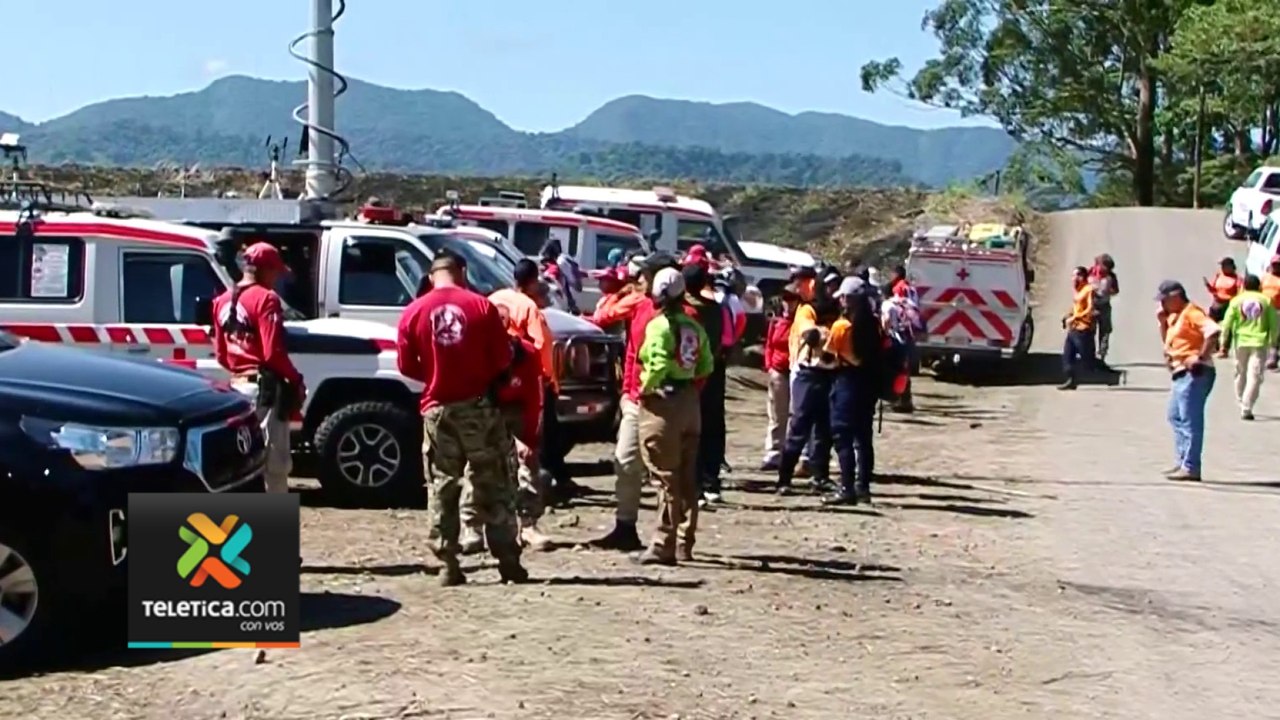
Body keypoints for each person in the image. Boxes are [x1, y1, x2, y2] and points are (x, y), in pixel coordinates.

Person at [396, 254, 526, 586]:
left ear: (431, 275)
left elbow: (407, 366)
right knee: (494, 481)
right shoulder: (481, 307)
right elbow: (501, 360)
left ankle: (447, 563)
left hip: (438, 409)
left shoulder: (413, 312)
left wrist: (436, 373)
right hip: (479, 406)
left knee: (442, 485)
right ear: (462, 272)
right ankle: (507, 560)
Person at [591, 253, 680, 552]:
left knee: (664, 471)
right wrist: (628, 392)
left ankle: (668, 537)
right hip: (635, 398)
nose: (637, 282)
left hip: (662, 400)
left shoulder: (680, 316)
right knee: (626, 461)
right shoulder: (641, 306)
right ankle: (626, 526)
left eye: (643, 277)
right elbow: (630, 350)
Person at [636, 267, 714, 565]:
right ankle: (685, 540)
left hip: (664, 403)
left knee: (665, 476)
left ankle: (662, 543)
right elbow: (706, 365)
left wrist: (645, 389)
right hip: (689, 402)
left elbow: (655, 364)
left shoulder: (659, 327)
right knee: (686, 476)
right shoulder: (694, 326)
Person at [211, 242, 303, 495]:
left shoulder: (221, 301)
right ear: (265, 269)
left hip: (237, 387)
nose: (277, 279)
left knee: (243, 461)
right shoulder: (266, 299)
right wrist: (295, 380)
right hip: (264, 389)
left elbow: (221, 354)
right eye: (275, 272)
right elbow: (272, 352)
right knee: (275, 464)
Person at [776, 278, 840, 495]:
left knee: (825, 430)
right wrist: (831, 335)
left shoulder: (840, 311)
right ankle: (784, 478)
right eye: (830, 286)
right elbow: (810, 334)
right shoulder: (808, 310)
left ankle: (820, 476)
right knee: (799, 426)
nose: (834, 291)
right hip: (809, 373)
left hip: (831, 374)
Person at [824, 276, 884, 505]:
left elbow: (827, 357)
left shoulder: (842, 326)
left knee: (842, 435)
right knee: (863, 438)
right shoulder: (874, 324)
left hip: (847, 382)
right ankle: (863, 487)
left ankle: (846, 487)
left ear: (849, 299)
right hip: (868, 385)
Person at [1156, 280, 1221, 482]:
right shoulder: (1176, 316)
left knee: (1190, 420)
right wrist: (1162, 322)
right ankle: (1183, 461)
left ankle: (1191, 466)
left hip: (1194, 374)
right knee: (1175, 416)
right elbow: (1170, 342)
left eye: (1164, 300)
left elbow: (1212, 331)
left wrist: (1200, 358)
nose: (1162, 305)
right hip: (1180, 373)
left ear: (1175, 297)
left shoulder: (1193, 312)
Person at [682, 263, 728, 504]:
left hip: (691, 375)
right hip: (713, 371)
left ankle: (695, 483)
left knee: (693, 429)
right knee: (713, 425)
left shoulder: (686, 311)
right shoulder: (716, 309)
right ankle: (711, 480)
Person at [1220, 274, 1277, 420]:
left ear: (1244, 286)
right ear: (1259, 286)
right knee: (1255, 376)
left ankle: (1241, 400)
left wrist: (1223, 342)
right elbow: (1274, 324)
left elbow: (1226, 323)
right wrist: (1274, 342)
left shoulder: (1236, 300)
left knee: (1240, 372)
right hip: (1259, 343)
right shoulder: (1266, 301)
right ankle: (1247, 406)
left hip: (1240, 342)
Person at [760, 286, 798, 471]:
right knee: (777, 414)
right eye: (786, 299)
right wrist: (769, 366)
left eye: (792, 299)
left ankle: (798, 454)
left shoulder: (802, 321)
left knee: (798, 414)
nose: (788, 303)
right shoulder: (777, 322)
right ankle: (774, 452)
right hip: (778, 371)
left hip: (797, 370)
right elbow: (769, 345)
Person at [880, 282, 923, 412]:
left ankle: (896, 398)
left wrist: (884, 334)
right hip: (909, 340)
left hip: (895, 341)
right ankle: (906, 400)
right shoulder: (907, 302)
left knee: (893, 371)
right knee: (905, 371)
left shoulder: (887, 304)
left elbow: (886, 321)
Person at [1059, 266, 1097, 391]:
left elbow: (1089, 309)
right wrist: (1068, 315)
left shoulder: (1088, 290)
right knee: (1067, 354)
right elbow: (1076, 306)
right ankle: (1071, 380)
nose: (1072, 278)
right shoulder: (1078, 290)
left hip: (1083, 328)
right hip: (1074, 327)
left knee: (1086, 357)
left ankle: (1095, 368)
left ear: (1081, 277)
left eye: (1075, 275)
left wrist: (1074, 317)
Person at [1088, 254, 1120, 362]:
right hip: (1090, 306)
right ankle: (1089, 355)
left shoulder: (1111, 277)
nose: (1106, 270)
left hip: (1104, 306)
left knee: (1105, 331)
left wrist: (1108, 291)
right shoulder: (1090, 273)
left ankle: (1102, 355)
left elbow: (1116, 290)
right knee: (1089, 331)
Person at [1203, 257, 1243, 323]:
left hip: (1227, 306)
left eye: (1223, 266)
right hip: (1216, 305)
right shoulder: (1219, 275)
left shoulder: (1237, 279)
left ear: (1230, 267)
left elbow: (1239, 295)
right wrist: (1208, 285)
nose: (1222, 268)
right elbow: (1213, 290)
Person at [1261, 256, 1280, 370]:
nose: (1276, 267)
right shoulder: (1265, 277)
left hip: (1277, 311)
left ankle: (1272, 358)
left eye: (1278, 265)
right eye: (1274, 264)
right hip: (1263, 309)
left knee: (1274, 335)